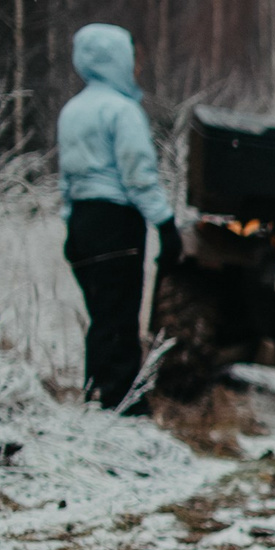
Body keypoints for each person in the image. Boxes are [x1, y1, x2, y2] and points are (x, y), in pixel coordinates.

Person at [55, 24, 180, 412]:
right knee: (122, 313)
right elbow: (138, 175)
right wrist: (165, 223)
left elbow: (66, 177)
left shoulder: (72, 109)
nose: (137, 67)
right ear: (118, 61)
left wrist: (69, 222)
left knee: (100, 312)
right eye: (132, 58)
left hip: (82, 220)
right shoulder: (122, 111)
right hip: (116, 221)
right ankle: (122, 401)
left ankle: (95, 388)